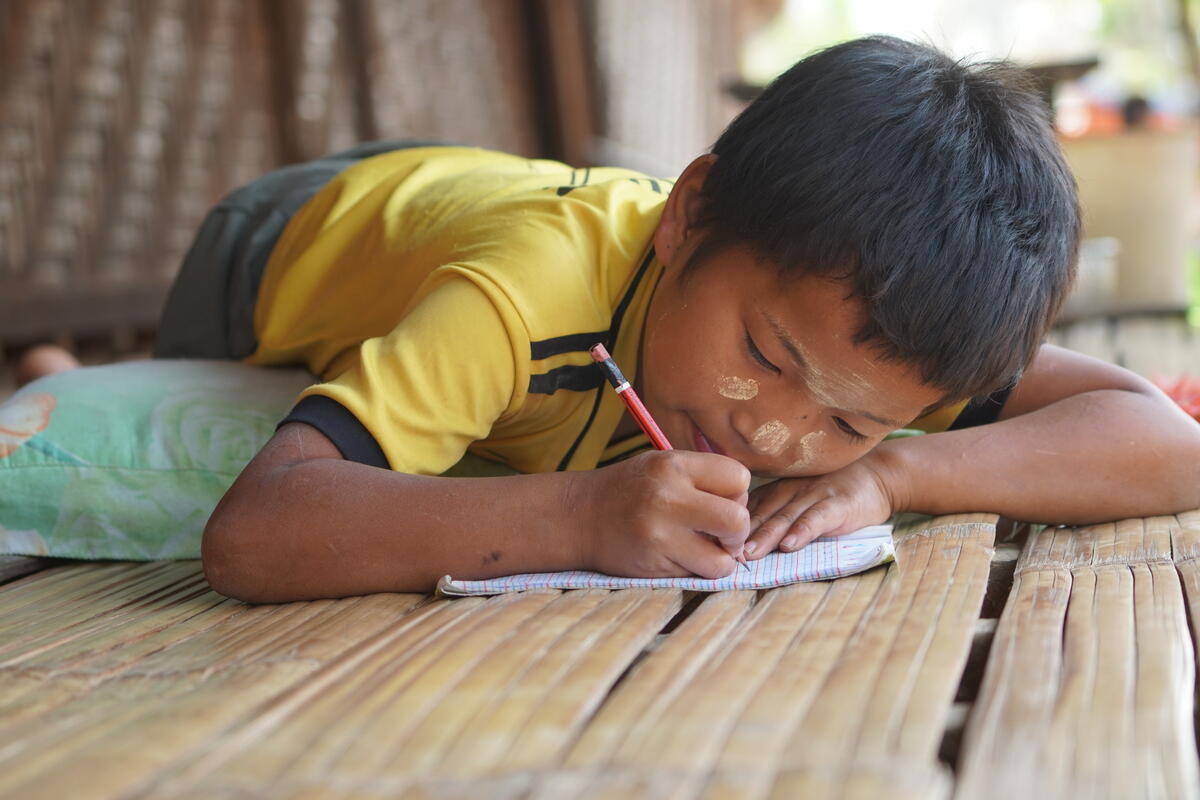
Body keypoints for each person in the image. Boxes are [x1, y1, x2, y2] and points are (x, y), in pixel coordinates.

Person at [150, 36, 1196, 602]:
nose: (775, 432)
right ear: (689, 217)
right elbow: (255, 533)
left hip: (476, 188)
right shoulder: (521, 300)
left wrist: (894, 471)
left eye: (847, 423)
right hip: (286, 233)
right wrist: (580, 517)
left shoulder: (866, 336)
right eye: (762, 355)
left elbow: (1166, 444)